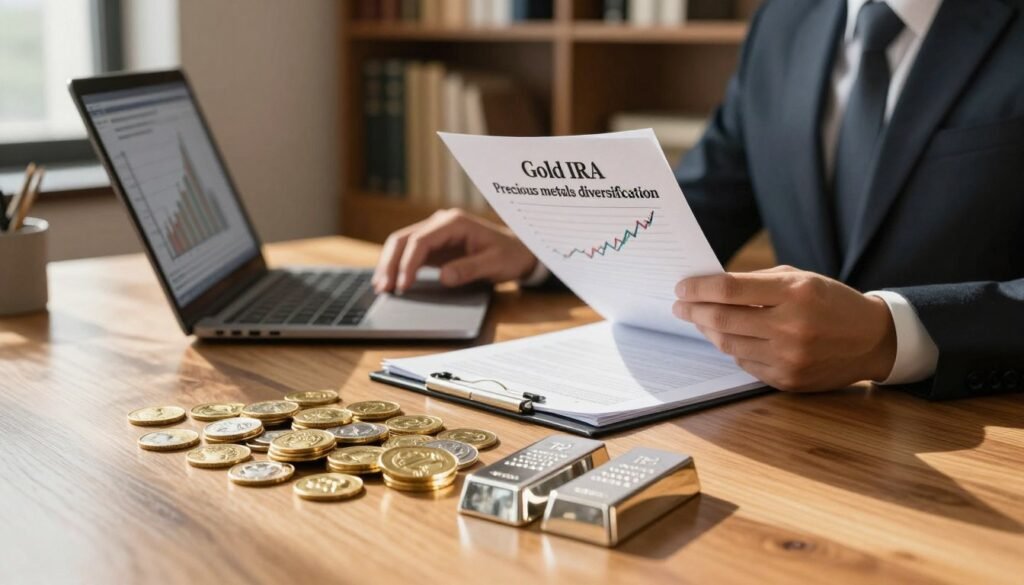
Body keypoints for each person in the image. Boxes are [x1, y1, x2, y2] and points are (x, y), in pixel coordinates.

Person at [373, 0, 1024, 399]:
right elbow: (703, 202)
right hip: (783, 432)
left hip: (980, 439)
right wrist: (533, 249)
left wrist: (891, 335)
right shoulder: (784, 22)